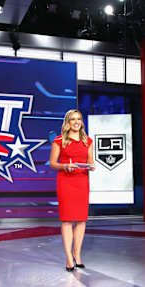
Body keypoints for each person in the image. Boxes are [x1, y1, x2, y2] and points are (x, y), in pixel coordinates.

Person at [49, 109, 95, 272]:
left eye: (79, 119)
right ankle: (69, 258)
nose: (76, 122)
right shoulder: (59, 140)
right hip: (66, 182)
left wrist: (92, 166)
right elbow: (52, 163)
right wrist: (64, 166)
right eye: (73, 119)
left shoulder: (88, 141)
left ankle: (78, 254)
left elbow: (90, 162)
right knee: (67, 220)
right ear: (67, 122)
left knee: (81, 220)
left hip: (82, 182)